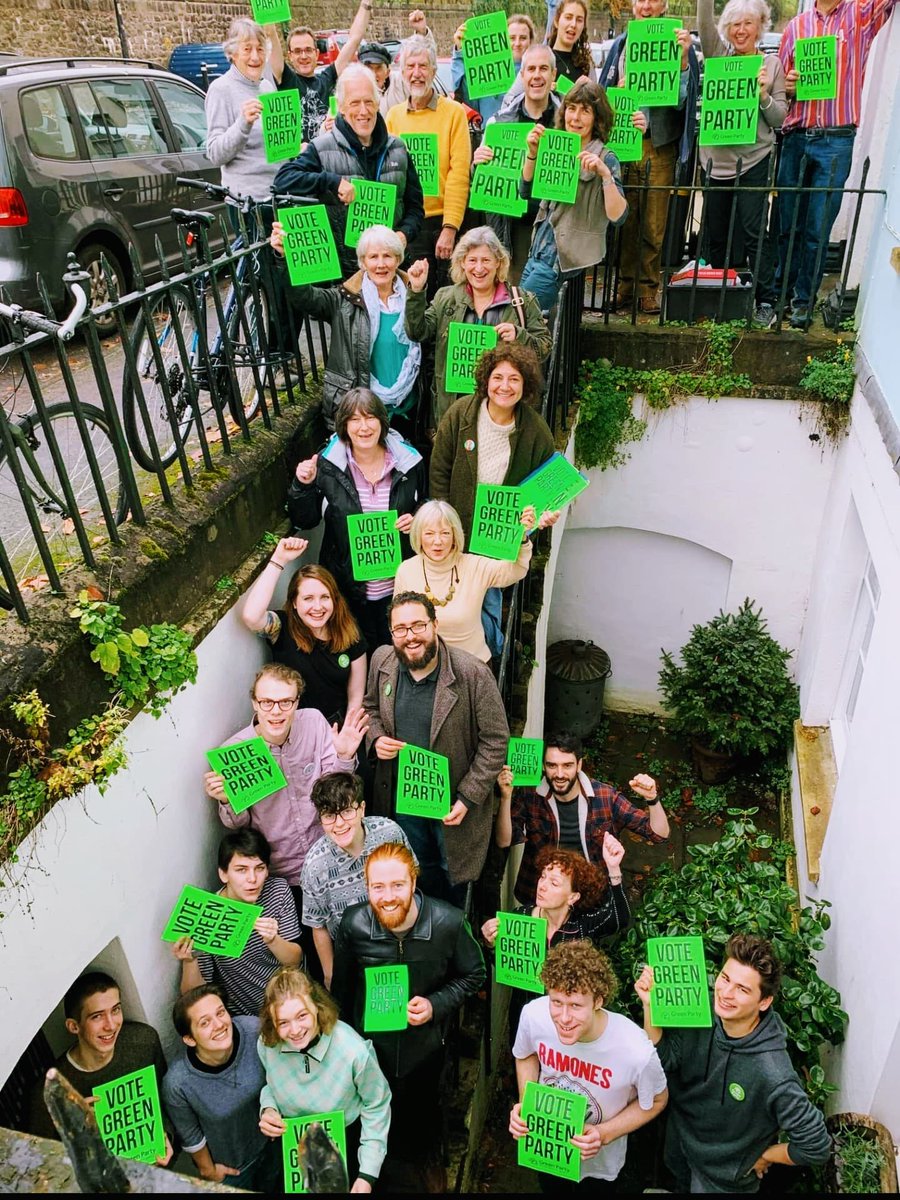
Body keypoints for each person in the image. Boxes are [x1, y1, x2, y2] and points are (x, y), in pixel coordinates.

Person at [332, 842, 485, 1191]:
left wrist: (435, 1004)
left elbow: (475, 974)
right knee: (376, 1129)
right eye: (377, 887)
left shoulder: (448, 922)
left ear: (414, 883)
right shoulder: (353, 924)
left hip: (426, 1054)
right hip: (370, 1055)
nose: (387, 897)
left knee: (420, 1127)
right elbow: (341, 992)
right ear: (366, 887)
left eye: (397, 885)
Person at [635, 932, 831, 1192]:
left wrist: (766, 1156)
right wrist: (650, 1006)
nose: (726, 993)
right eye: (725, 978)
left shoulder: (772, 1072)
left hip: (722, 1178)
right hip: (681, 1143)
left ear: (764, 1002)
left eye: (742, 989)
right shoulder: (702, 1008)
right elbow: (665, 1059)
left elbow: (816, 1146)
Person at [362, 592, 509, 904]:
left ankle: (454, 931)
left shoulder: (473, 674)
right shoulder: (382, 661)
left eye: (418, 626)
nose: (410, 636)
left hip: (452, 805)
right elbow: (371, 708)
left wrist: (469, 796)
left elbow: (496, 741)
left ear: (435, 625)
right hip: (403, 799)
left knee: (451, 872)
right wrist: (375, 738)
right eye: (400, 629)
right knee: (416, 868)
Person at [204, 662, 365, 930]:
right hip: (282, 874)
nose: (276, 711)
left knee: (350, 931)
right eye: (267, 702)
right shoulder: (234, 751)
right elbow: (238, 826)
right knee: (306, 944)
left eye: (285, 702)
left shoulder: (313, 721)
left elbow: (335, 792)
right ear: (254, 703)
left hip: (329, 854)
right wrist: (226, 800)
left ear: (297, 702)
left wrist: (345, 756)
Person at [428, 341, 559, 656]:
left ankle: (486, 660)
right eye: (498, 377)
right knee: (454, 602)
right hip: (456, 531)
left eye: (514, 379)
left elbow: (546, 489)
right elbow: (439, 471)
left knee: (489, 603)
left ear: (525, 385)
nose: (505, 386)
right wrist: (443, 525)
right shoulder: (460, 414)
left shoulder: (536, 432)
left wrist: (540, 517)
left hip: (497, 539)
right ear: (486, 380)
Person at [776, 0, 897, 330]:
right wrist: (787, 85)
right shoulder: (796, 27)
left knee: (817, 229)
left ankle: (802, 301)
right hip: (796, 134)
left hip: (836, 139)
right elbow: (780, 91)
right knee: (787, 226)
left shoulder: (859, 15)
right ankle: (777, 297)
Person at [511, 940, 668, 1191]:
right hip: (548, 1154)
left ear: (598, 1001)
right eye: (556, 1002)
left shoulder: (635, 1049)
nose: (563, 1018)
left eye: (575, 1006)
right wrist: (528, 1103)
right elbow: (525, 1054)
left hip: (601, 1170)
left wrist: (604, 1134)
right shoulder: (533, 1015)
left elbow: (657, 1100)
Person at [287, 389, 426, 650]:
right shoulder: (328, 466)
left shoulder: (409, 462)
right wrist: (302, 485)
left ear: (382, 422)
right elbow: (305, 519)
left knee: (398, 659)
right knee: (359, 661)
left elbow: (426, 505)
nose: (364, 427)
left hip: (400, 589)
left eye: (370, 417)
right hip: (348, 590)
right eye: (354, 419)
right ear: (344, 425)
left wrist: (417, 520)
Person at [273, 66, 424, 282]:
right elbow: (284, 180)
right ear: (342, 107)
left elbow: (416, 208)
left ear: (377, 103)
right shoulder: (322, 148)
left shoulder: (398, 148)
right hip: (345, 279)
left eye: (368, 102)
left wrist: (404, 234)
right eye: (355, 103)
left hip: (390, 273)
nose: (363, 111)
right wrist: (332, 182)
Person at [271, 225, 423, 435]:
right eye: (373, 257)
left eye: (387, 256)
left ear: (398, 259)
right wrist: (285, 259)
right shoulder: (343, 300)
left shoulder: (414, 295)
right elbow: (305, 297)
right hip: (363, 413)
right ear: (363, 262)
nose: (381, 264)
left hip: (408, 406)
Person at [599, 0, 701, 314]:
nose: (646, 5)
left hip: (659, 144)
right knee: (625, 220)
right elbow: (601, 98)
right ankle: (625, 287)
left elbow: (685, 100)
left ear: (663, 5)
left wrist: (683, 62)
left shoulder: (677, 41)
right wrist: (616, 90)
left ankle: (648, 289)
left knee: (654, 223)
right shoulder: (621, 45)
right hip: (625, 144)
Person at [482, 839, 630, 1047]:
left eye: (554, 883)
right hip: (527, 1016)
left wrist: (613, 869)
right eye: (543, 877)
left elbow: (619, 919)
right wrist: (491, 944)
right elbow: (504, 965)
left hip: (566, 1022)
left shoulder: (581, 927)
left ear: (573, 897)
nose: (542, 886)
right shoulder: (520, 918)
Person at [257, 967, 392, 1194]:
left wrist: (367, 1172)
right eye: (283, 1022)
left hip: (345, 1140)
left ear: (317, 1009)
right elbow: (270, 1083)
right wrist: (268, 1109)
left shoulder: (354, 1051)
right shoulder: (266, 1044)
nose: (295, 1030)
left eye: (302, 1016)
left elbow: (377, 1104)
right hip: (294, 1141)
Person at [497, 730, 670, 905]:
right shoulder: (531, 795)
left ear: (579, 765)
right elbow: (504, 841)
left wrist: (652, 798)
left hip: (591, 895)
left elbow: (659, 834)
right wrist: (505, 797)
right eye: (552, 765)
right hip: (543, 896)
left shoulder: (605, 797)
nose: (559, 774)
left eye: (567, 765)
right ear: (543, 766)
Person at [405, 225, 552, 428]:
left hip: (502, 409)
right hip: (454, 409)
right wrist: (416, 291)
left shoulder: (521, 301)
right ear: (462, 263)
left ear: (498, 263)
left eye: (486, 260)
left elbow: (544, 348)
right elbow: (417, 332)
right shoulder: (446, 298)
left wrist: (519, 335)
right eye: (472, 260)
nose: (479, 268)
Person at [697, 0, 787, 330]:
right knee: (715, 235)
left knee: (753, 234)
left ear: (760, 26)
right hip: (715, 163)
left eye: (748, 23)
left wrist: (763, 95)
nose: (741, 30)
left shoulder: (771, 65)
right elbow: (703, 22)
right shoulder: (719, 58)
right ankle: (716, 296)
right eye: (734, 24)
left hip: (753, 161)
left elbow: (779, 117)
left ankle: (765, 301)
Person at [29, 972, 173, 1163]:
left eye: (115, 1010)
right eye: (97, 1017)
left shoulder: (143, 1041)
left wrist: (165, 1137)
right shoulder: (50, 1091)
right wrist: (75, 1130)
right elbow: (41, 1161)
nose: (111, 1025)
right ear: (74, 1026)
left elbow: (164, 1100)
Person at [519, 80, 630, 313]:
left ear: (597, 118)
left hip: (559, 259)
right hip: (538, 250)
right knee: (526, 323)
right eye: (571, 108)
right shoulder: (554, 145)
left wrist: (605, 175)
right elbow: (525, 192)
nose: (576, 118)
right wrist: (532, 154)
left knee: (519, 318)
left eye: (585, 111)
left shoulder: (605, 157)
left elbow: (619, 216)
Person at [300, 771, 415, 988]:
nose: (339, 823)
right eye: (329, 815)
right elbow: (318, 926)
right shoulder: (315, 866)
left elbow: (413, 877)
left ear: (361, 808)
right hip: (352, 953)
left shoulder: (389, 833)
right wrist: (330, 975)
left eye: (346, 811)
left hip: (399, 940)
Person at [171, 829, 302, 1017]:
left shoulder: (277, 891)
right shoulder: (210, 913)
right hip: (252, 1014)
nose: (252, 879)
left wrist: (273, 940)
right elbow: (193, 995)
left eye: (259, 868)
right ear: (224, 874)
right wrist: (190, 961)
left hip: (294, 995)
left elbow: (295, 961)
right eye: (241, 870)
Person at [162, 984, 277, 1190]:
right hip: (233, 1168)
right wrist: (209, 1171)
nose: (219, 1024)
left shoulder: (254, 1030)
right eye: (205, 1022)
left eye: (220, 1012)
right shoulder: (178, 1083)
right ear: (189, 1039)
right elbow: (191, 1135)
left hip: (275, 1145)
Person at [241, 540, 366, 727]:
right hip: (292, 729)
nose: (318, 607)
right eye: (308, 598)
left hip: (335, 726)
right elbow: (251, 616)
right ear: (294, 602)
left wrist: (347, 733)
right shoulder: (282, 627)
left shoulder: (349, 632)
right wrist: (278, 559)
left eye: (325, 597)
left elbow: (355, 695)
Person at [393, 499, 535, 663]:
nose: (437, 541)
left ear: (455, 536)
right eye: (429, 533)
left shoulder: (474, 565)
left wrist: (522, 538)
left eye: (445, 533)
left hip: (472, 667)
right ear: (418, 536)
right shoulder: (406, 570)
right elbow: (398, 624)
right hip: (424, 668)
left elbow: (515, 570)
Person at [386, 35, 473, 298]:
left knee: (445, 302)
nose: (416, 74)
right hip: (407, 226)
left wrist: (449, 228)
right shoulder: (394, 117)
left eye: (423, 66)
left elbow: (459, 174)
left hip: (441, 223)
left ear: (434, 71)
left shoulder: (454, 114)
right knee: (412, 302)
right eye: (410, 67)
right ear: (401, 73)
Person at [476, 44, 562, 281]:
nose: (537, 75)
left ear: (553, 75)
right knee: (514, 297)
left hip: (553, 227)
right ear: (522, 75)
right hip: (513, 229)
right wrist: (478, 163)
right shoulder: (498, 124)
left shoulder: (568, 122)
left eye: (543, 69)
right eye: (531, 69)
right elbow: (483, 180)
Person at [269, 2, 373, 145]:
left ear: (317, 53)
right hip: (300, 163)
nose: (303, 56)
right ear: (290, 56)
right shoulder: (286, 79)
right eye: (298, 51)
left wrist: (366, 4)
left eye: (308, 50)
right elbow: (270, 34)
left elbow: (354, 40)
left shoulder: (328, 78)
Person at [204, 18, 277, 206]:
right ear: (232, 53)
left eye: (260, 49)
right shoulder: (221, 89)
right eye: (247, 49)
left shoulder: (267, 87)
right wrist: (242, 124)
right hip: (246, 203)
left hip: (279, 196)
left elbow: (276, 146)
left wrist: (295, 148)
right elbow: (215, 153)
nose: (255, 57)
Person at [451, 13, 537, 124]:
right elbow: (463, 91)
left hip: (525, 138)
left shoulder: (537, 75)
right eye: (512, 38)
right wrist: (459, 51)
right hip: (491, 138)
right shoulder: (488, 72)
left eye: (523, 38)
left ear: (530, 41)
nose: (517, 43)